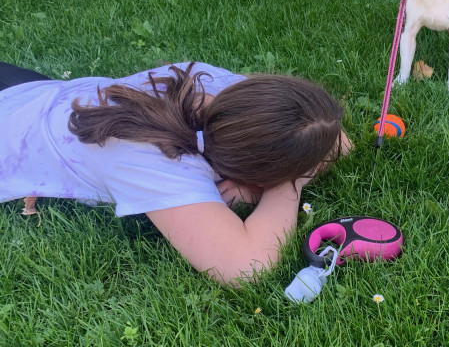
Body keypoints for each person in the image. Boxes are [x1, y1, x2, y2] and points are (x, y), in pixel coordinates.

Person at [0, 61, 350, 284]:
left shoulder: (221, 93)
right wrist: (289, 183)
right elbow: (246, 267)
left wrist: (280, 174)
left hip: (31, 95)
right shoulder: (158, 162)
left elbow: (337, 141)